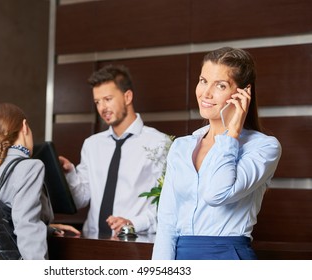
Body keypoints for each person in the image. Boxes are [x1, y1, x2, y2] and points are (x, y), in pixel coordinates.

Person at [152, 47, 282, 260]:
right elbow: (167, 222)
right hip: (180, 257)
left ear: (243, 93)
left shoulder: (264, 147)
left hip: (227, 256)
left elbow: (217, 194)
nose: (206, 93)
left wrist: (232, 134)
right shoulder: (181, 147)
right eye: (203, 81)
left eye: (220, 85)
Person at [59, 65, 171, 236]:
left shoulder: (160, 143)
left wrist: (133, 224)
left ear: (127, 97)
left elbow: (168, 204)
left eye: (108, 99)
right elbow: (81, 200)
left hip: (134, 243)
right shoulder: (92, 145)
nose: (102, 108)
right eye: (97, 102)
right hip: (92, 241)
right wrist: (69, 174)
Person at [0, 102, 80, 260]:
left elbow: (5, 223)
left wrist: (47, 228)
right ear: (25, 127)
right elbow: (27, 227)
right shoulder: (31, 166)